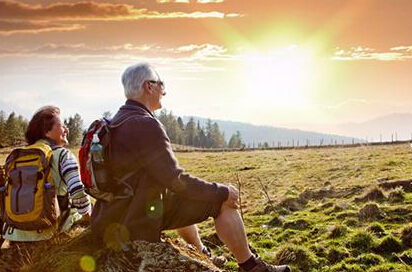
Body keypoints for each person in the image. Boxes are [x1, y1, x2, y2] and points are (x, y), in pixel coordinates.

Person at [91, 63, 290, 272]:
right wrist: (221, 191)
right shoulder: (145, 124)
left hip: (111, 216)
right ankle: (251, 267)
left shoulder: (115, 122)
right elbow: (176, 180)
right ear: (148, 87)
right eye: (161, 84)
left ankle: (201, 253)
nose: (163, 91)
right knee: (222, 203)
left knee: (176, 198)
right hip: (134, 220)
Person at [3, 106, 92, 242]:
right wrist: (90, 218)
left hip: (16, 232)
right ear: (46, 131)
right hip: (49, 230)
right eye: (62, 126)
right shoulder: (64, 155)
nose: (67, 130)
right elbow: (78, 193)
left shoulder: (21, 156)